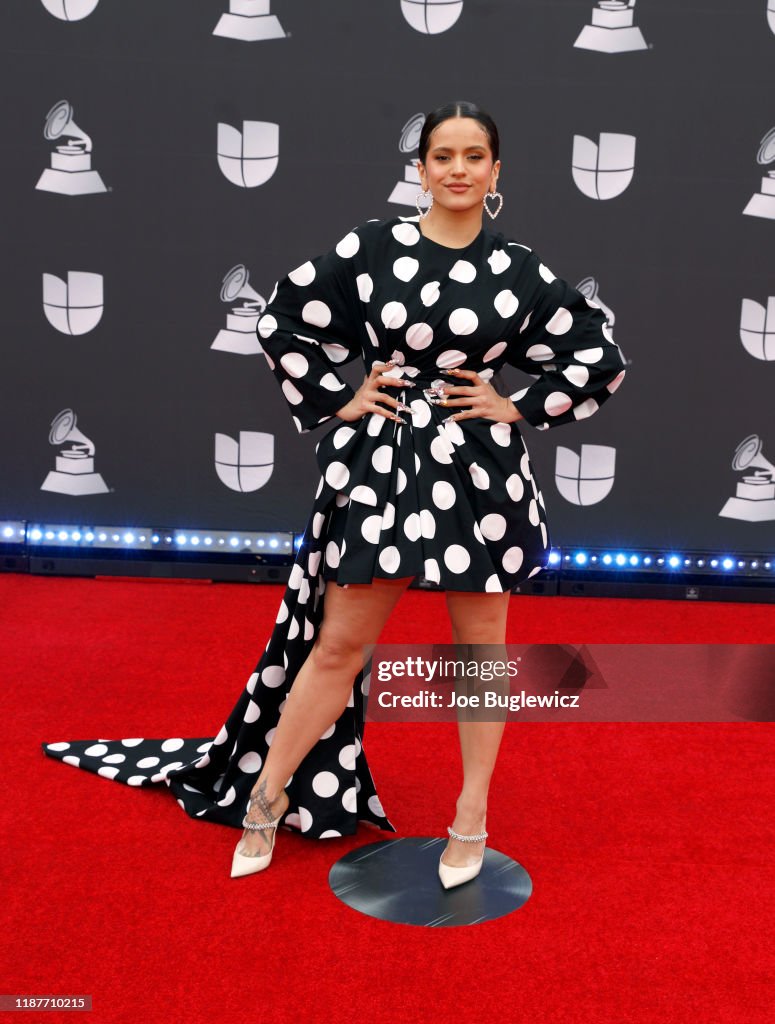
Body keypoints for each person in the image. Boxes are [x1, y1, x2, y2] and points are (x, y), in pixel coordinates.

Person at [42, 101, 626, 889]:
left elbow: (596, 353)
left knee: (479, 656)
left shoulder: (517, 267)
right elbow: (283, 318)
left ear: (496, 172)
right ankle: (264, 798)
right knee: (341, 643)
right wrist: (342, 394)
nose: (457, 169)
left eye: (475, 156)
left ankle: (470, 819)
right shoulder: (374, 245)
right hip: (382, 462)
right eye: (442, 155)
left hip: (478, 473)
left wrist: (516, 404)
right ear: (418, 168)